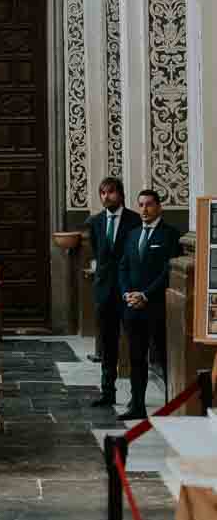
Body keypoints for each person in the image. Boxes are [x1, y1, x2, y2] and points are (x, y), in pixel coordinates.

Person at [117, 188, 182, 421]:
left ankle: (170, 406)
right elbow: (123, 266)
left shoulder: (171, 235)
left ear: (159, 207)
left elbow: (168, 272)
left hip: (156, 308)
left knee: (164, 358)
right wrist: (127, 294)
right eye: (141, 205)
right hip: (132, 308)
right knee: (136, 358)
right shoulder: (133, 235)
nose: (144, 209)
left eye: (149, 205)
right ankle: (137, 405)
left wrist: (145, 294)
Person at [88, 176, 140, 409]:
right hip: (104, 292)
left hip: (128, 290)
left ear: (120, 194)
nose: (105, 196)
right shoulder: (95, 222)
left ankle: (136, 397)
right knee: (107, 343)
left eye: (110, 192)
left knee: (134, 342)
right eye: (102, 193)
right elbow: (99, 254)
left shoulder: (134, 220)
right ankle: (107, 392)